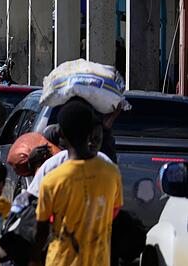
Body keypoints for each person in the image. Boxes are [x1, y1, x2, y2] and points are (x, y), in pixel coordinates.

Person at [31, 99, 123, 266]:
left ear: (61, 135)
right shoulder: (111, 172)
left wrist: (34, 259)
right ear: (91, 133)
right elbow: (114, 211)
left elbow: (41, 228)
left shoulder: (51, 179)